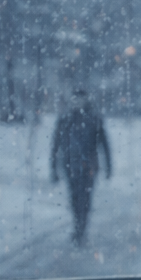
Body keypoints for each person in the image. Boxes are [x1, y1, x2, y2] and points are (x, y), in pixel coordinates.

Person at [50, 90, 112, 246]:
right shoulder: (65, 120)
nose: (78, 103)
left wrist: (108, 166)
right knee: (74, 198)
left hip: (89, 167)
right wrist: (53, 168)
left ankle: (81, 230)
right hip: (70, 166)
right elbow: (55, 145)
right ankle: (78, 227)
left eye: (81, 100)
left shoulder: (93, 119)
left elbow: (104, 144)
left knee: (85, 199)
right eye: (75, 100)